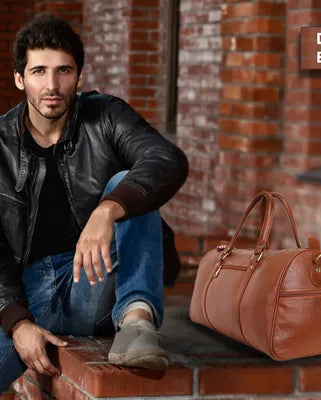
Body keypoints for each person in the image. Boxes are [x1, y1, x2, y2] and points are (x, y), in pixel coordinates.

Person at [0, 13, 188, 393]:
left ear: (79, 76)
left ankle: (136, 322)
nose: (51, 86)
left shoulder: (106, 115)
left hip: (94, 280)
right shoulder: (1, 142)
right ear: (20, 79)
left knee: (127, 184)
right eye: (38, 71)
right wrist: (17, 322)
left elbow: (166, 159)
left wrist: (108, 209)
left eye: (63, 71)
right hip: (29, 293)